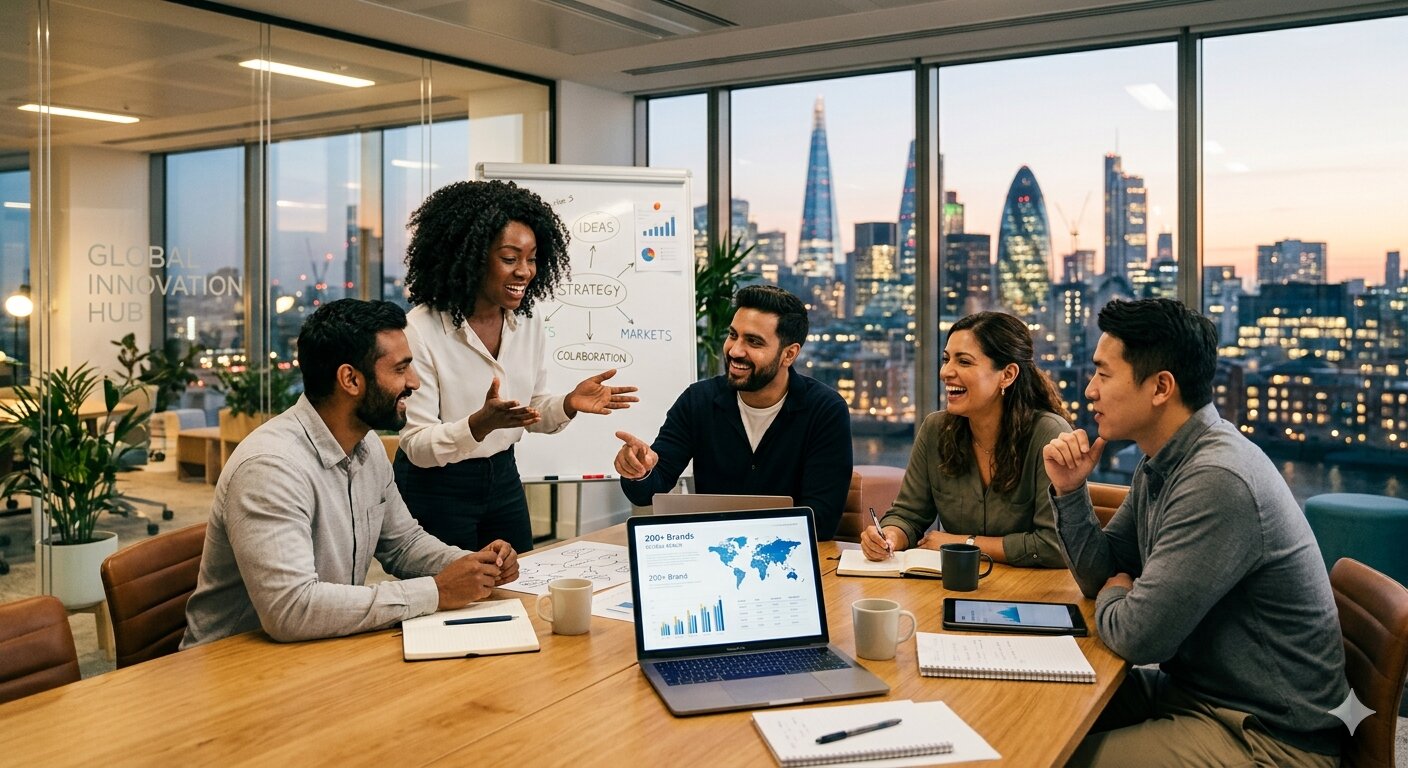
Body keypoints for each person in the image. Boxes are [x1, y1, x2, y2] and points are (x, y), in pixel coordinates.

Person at [1043, 298, 1347, 767]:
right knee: (1037, 710)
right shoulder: (1164, 458)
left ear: (1161, 387)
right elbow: (1102, 573)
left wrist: (1118, 592)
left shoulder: (1218, 478)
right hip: (1196, 695)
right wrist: (1070, 490)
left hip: (1267, 735)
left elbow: (1139, 637)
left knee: (1058, 758)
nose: (1089, 392)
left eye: (1103, 374)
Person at [182, 299, 518, 647]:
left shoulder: (366, 445)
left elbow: (403, 544)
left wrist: (473, 566)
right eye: (401, 369)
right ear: (350, 379)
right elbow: (291, 610)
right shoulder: (270, 468)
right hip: (230, 668)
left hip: (315, 649)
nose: (414, 383)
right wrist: (435, 591)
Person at [395, 180, 638, 554]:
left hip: (503, 478)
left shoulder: (528, 319)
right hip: (437, 487)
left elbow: (532, 410)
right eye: (510, 259)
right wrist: (478, 424)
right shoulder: (421, 329)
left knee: (518, 585)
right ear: (471, 255)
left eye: (532, 258)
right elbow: (416, 446)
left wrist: (569, 402)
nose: (525, 271)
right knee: (451, 598)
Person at [613, 284, 853, 540]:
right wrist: (639, 471)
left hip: (788, 558)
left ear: (789, 354)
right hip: (714, 553)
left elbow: (822, 521)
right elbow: (649, 490)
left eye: (754, 341)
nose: (735, 351)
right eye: (733, 335)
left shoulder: (825, 410)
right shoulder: (698, 401)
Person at [860, 311, 1070, 567]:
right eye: (946, 359)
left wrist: (962, 543)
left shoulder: (1049, 435)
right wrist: (889, 536)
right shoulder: (935, 429)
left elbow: (1054, 545)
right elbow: (908, 515)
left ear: (1007, 374)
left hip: (1032, 592)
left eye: (964, 362)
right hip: (954, 583)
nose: (946, 372)